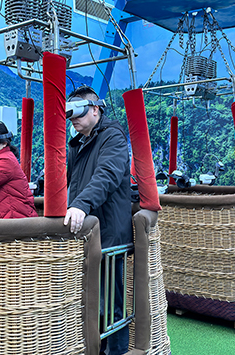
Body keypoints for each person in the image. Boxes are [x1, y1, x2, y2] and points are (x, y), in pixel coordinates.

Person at [63, 86, 132, 355]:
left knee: (111, 300)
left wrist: (81, 204)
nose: (72, 119)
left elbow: (107, 175)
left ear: (95, 109)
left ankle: (116, 351)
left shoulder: (112, 137)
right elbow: (72, 180)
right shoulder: (77, 144)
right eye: (69, 114)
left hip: (109, 232)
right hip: (87, 232)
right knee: (92, 299)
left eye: (77, 112)